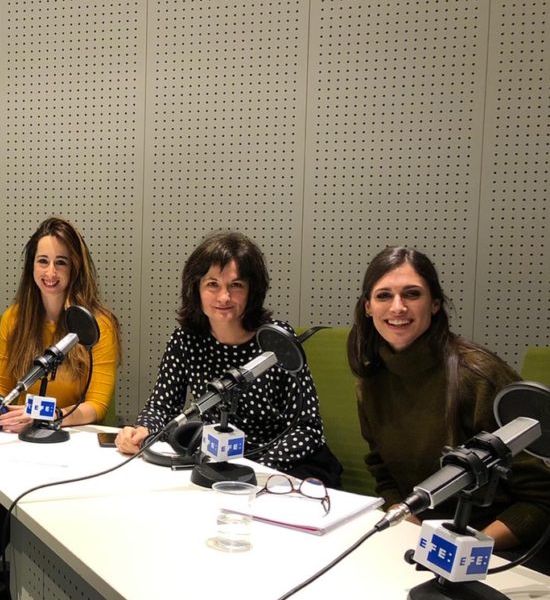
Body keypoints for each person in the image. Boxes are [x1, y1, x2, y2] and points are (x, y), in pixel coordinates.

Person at [349, 246, 550, 560]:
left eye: (412, 294)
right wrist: (408, 525)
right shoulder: (372, 378)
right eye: (384, 296)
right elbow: (383, 472)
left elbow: (541, 498)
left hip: (497, 548)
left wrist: (465, 551)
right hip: (422, 542)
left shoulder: (478, 376)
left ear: (435, 304)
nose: (398, 307)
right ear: (368, 307)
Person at [116, 231, 341, 487]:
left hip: (284, 467)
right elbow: (161, 407)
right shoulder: (185, 339)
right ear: (196, 288)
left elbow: (307, 428)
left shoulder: (276, 340)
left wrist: (255, 467)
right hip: (219, 464)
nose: (224, 297)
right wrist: (143, 430)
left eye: (236, 285)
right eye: (213, 284)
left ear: (252, 291)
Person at [0, 216, 120, 432]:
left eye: (61, 262)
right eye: (43, 261)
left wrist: (45, 415)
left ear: (75, 268)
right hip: (22, 435)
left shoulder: (97, 325)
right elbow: (1, 386)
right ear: (31, 266)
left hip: (71, 436)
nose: (50, 272)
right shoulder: (13, 318)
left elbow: (96, 406)